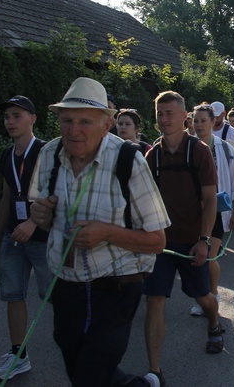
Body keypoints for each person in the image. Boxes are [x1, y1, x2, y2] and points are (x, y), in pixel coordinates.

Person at [29, 77, 169, 387]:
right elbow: (42, 217)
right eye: (67, 120)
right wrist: (40, 215)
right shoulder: (50, 154)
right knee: (81, 367)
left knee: (88, 377)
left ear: (106, 124)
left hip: (115, 289)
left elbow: (158, 242)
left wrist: (107, 233)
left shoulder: (128, 160)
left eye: (84, 122)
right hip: (65, 286)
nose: (73, 130)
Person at [144, 91, 223, 385]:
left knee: (202, 296)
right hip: (160, 243)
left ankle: (214, 324)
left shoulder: (198, 151)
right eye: (159, 114)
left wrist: (203, 239)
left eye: (170, 114)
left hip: (192, 242)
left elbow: (210, 199)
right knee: (154, 300)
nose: (164, 119)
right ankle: (155, 372)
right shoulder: (152, 156)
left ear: (184, 118)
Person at [0, 95, 50, 381]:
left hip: (42, 237)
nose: (10, 122)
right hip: (14, 237)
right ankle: (18, 354)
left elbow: (54, 195)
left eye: (17, 115)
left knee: (57, 296)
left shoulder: (46, 152)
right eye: (7, 117)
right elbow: (6, 196)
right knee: (14, 296)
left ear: (32, 118)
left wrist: (31, 223)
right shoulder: (6, 155)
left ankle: (81, 346)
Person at [189, 104, 234, 316]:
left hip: (217, 211)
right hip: (192, 213)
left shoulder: (225, 148)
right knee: (195, 258)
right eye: (196, 121)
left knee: (210, 257)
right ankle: (201, 297)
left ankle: (212, 294)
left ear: (213, 122)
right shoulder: (188, 147)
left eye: (203, 120)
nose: (199, 125)